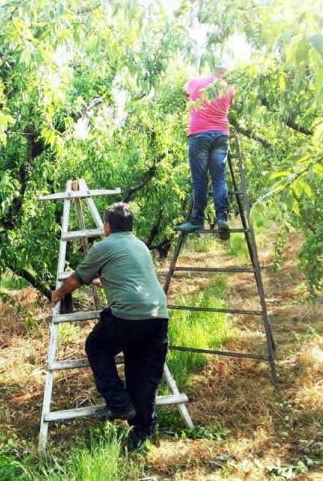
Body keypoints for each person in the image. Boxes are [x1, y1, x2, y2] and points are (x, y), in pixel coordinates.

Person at [50, 202, 169, 450]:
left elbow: (75, 280)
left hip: (128, 316)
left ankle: (119, 403)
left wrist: (58, 294)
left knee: (96, 347)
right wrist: (101, 280)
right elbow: (130, 280)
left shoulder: (104, 246)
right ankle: (142, 431)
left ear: (107, 226)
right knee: (142, 373)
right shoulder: (140, 246)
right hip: (158, 316)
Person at [176, 66, 234, 240]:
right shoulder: (229, 88)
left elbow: (185, 89)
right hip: (221, 135)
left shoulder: (196, 82)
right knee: (219, 178)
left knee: (200, 179)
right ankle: (222, 218)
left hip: (200, 134)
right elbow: (228, 105)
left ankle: (197, 219)